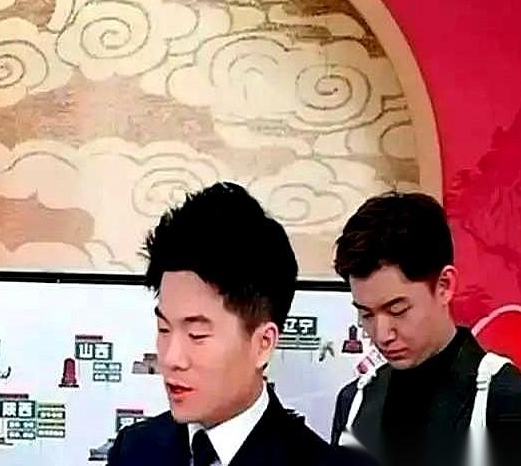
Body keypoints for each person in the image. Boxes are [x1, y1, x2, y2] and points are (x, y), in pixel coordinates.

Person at [108, 182, 373, 466]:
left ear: (263, 344)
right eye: (164, 329)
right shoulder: (134, 450)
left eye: (197, 335)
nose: (171, 359)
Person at [330, 191, 521, 466]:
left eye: (397, 310)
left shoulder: (510, 401)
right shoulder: (354, 402)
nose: (382, 335)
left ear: (444, 285)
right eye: (366, 314)